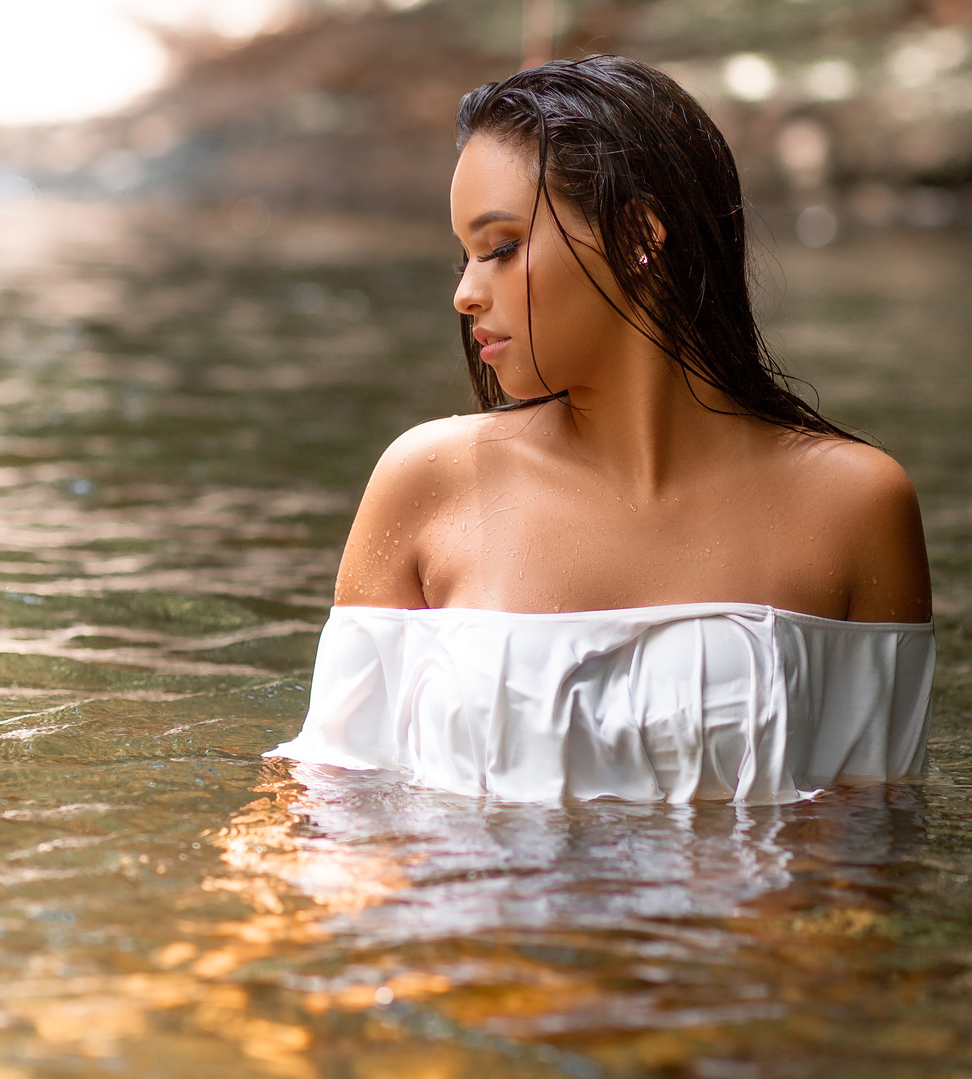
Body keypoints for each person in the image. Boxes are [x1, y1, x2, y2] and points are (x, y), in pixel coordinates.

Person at [267, 56, 934, 801]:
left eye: (501, 248)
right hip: (450, 918)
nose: (463, 293)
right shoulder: (426, 480)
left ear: (637, 235)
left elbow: (871, 832)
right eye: (465, 256)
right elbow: (327, 796)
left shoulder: (855, 504)